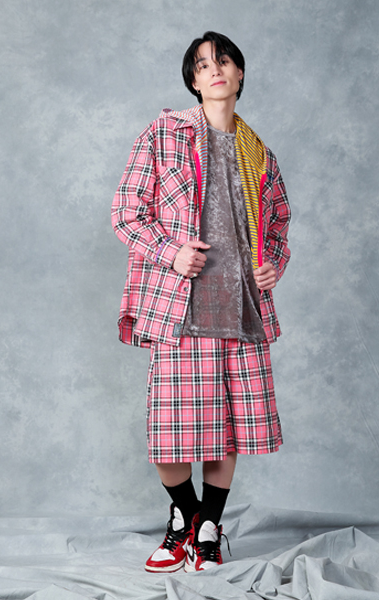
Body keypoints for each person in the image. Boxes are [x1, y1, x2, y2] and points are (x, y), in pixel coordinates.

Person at [111, 31, 291, 573]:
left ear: (239, 74)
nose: (215, 70)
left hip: (239, 308)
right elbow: (126, 213)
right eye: (203, 64)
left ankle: (207, 530)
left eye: (224, 61)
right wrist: (171, 254)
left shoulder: (259, 153)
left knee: (223, 430)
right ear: (193, 80)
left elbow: (278, 226)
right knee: (169, 435)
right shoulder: (164, 134)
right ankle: (187, 518)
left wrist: (273, 264)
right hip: (178, 307)